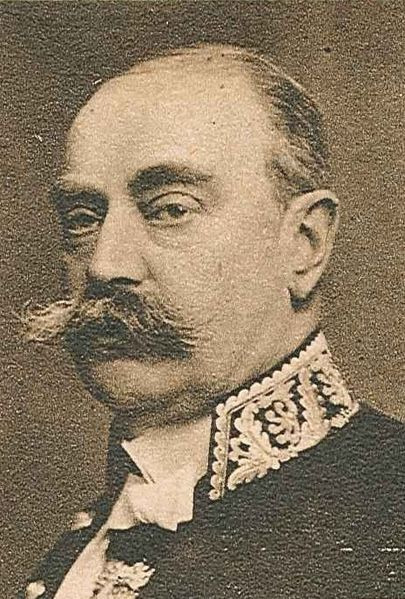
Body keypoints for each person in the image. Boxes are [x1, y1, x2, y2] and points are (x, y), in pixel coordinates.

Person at [20, 44, 404, 599]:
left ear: (304, 243)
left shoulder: (388, 515)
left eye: (171, 208)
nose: (104, 264)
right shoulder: (89, 537)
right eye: (83, 218)